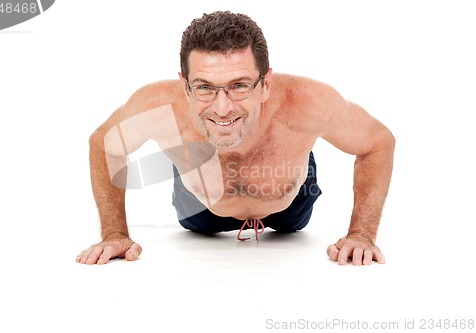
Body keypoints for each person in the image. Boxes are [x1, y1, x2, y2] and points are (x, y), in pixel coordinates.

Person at [76, 11, 395, 266]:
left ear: (265, 84)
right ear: (185, 85)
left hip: (289, 203)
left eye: (240, 85)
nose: (222, 107)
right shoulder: (156, 106)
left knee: (294, 167)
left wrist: (362, 234)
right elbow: (104, 143)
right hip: (201, 210)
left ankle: (296, 157)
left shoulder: (310, 102)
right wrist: (114, 233)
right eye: (203, 87)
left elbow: (377, 142)